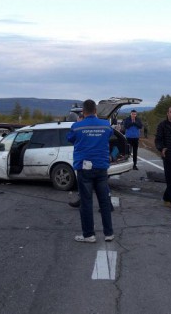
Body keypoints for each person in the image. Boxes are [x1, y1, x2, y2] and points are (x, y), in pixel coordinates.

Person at [67, 99, 114, 243]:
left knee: (86, 202)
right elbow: (110, 136)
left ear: (83, 112)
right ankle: (109, 233)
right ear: (95, 111)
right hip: (101, 167)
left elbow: (70, 139)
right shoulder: (106, 125)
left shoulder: (77, 126)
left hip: (84, 168)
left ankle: (89, 235)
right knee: (104, 201)